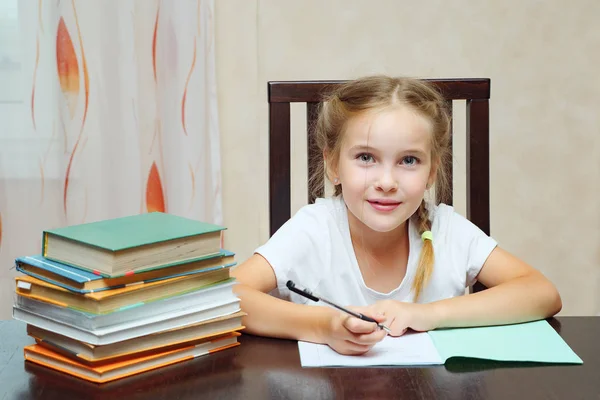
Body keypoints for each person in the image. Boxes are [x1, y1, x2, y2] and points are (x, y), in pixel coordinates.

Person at [232, 75, 562, 355]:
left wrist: (427, 314)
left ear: (432, 171)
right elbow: (230, 297)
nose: (387, 182)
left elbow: (541, 293)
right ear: (333, 165)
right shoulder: (314, 230)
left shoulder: (446, 229)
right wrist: (322, 326)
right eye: (365, 157)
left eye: (408, 161)